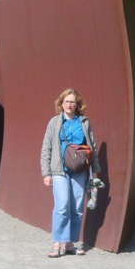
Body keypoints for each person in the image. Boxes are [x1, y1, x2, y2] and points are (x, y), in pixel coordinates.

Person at [40, 88, 101, 258]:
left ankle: (69, 244)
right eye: (66, 101)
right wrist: (46, 173)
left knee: (77, 208)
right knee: (62, 206)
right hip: (60, 170)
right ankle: (57, 242)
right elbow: (46, 148)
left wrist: (95, 171)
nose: (69, 104)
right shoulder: (54, 122)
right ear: (61, 103)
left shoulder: (84, 122)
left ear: (77, 104)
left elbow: (93, 147)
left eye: (72, 101)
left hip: (80, 171)